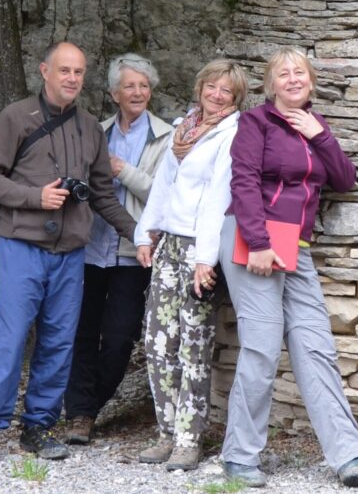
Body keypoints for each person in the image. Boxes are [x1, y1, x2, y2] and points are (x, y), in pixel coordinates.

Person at [217, 46, 358, 489]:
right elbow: (243, 180)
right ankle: (239, 457)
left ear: (310, 80)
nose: (292, 79)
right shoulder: (255, 122)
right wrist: (260, 242)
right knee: (262, 347)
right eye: (283, 73)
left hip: (296, 246)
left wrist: (320, 135)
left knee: (315, 346)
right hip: (254, 239)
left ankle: (352, 456)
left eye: (299, 72)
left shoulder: (314, 125)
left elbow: (344, 178)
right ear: (271, 84)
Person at [0, 42, 137, 465]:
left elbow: (103, 196)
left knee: (58, 343)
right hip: (21, 248)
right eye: (65, 70)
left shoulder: (90, 126)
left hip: (70, 253)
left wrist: (140, 233)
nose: (72, 78)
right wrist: (35, 196)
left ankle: (38, 427)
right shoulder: (16, 116)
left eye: (79, 72)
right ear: (45, 71)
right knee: (10, 340)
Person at [134, 59, 248, 471]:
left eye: (227, 92)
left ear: (236, 100)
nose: (217, 95)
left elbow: (219, 197)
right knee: (158, 343)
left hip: (201, 252)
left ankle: (188, 439)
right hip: (169, 246)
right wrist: (146, 233)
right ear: (200, 86)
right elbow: (165, 184)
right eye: (213, 86)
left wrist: (205, 260)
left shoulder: (231, 134)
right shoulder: (184, 128)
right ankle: (165, 432)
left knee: (193, 346)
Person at [63, 54, 173, 444]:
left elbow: (165, 194)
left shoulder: (167, 136)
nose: (138, 92)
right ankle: (79, 414)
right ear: (114, 93)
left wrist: (122, 170)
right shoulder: (96, 131)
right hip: (90, 248)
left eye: (144, 85)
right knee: (82, 332)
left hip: (134, 252)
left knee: (120, 335)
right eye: (130, 85)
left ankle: (90, 405)